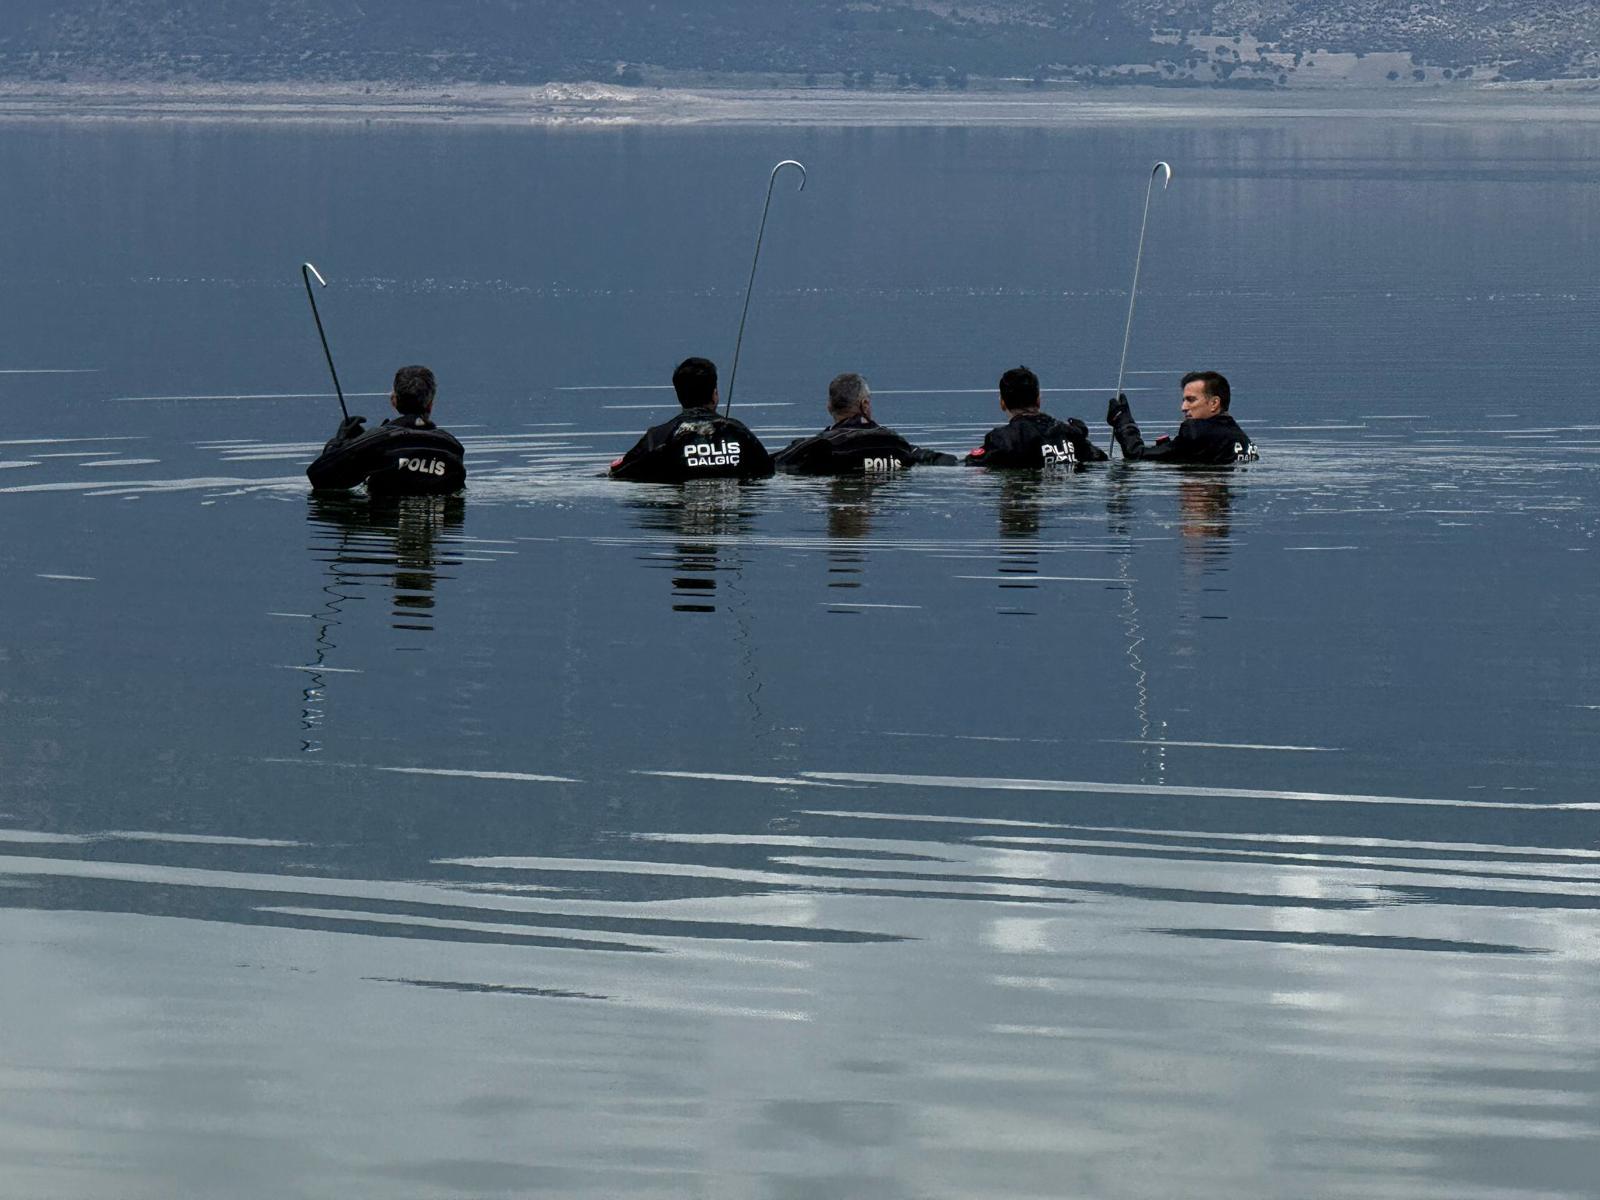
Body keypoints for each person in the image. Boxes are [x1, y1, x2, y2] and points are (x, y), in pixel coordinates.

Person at [609, 357, 774, 482]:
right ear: (715, 394)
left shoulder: (658, 436)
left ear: (679, 395)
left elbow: (617, 473)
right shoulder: (738, 432)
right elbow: (768, 471)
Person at [306, 365, 465, 494]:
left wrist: (340, 443)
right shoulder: (453, 447)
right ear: (430, 404)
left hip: (385, 515)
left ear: (394, 400)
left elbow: (319, 477)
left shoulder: (379, 441)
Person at [774, 372, 957, 474]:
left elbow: (772, 466)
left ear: (829, 407)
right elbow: (945, 461)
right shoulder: (896, 443)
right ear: (865, 404)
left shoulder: (818, 446)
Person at [964, 365, 1108, 468]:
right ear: (1038, 400)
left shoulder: (1003, 439)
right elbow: (1100, 458)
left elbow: (972, 463)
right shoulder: (1070, 434)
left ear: (1002, 403)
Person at [1105, 370, 1258, 464]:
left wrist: (1124, 424)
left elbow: (1136, 455)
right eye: (1183, 400)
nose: (1183, 407)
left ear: (1214, 403)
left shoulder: (1195, 432)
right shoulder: (1241, 438)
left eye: (1191, 400)